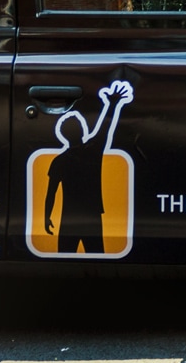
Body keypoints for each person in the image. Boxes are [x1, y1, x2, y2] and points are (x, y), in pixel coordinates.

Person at [42, 79, 134, 254]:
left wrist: (46, 217)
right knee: (98, 255)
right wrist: (112, 104)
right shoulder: (93, 149)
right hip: (92, 216)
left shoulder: (59, 161)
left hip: (68, 218)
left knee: (64, 258)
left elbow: (51, 192)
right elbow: (105, 126)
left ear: (63, 136)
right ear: (82, 131)